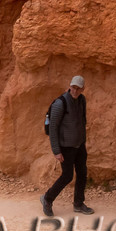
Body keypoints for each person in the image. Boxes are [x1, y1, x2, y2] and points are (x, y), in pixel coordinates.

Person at [42, 77, 93, 216]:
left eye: (78, 88)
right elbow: (53, 128)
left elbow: (82, 121)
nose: (75, 91)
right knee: (67, 176)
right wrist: (56, 151)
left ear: (83, 89)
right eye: (73, 87)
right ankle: (47, 198)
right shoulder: (60, 103)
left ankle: (78, 203)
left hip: (79, 145)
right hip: (66, 146)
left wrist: (83, 141)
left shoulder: (82, 100)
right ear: (70, 86)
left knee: (82, 174)